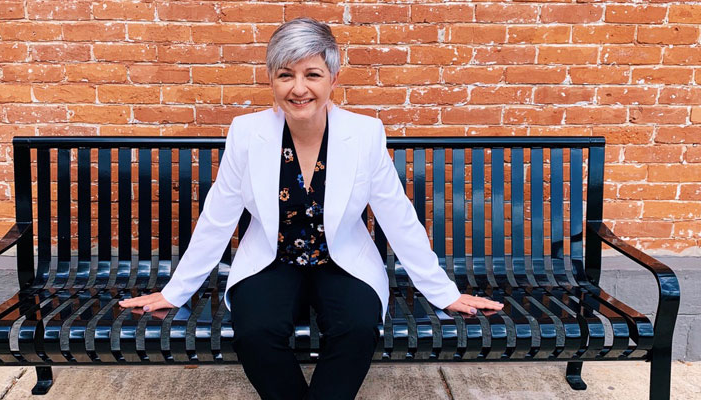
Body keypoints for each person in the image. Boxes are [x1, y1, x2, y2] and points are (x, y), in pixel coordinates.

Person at [120, 17, 503, 400]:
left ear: (333, 79)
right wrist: (176, 291)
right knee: (254, 332)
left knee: (356, 328)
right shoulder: (246, 132)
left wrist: (442, 292)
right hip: (271, 259)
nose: (299, 88)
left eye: (313, 74)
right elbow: (218, 217)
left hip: (342, 260)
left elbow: (396, 215)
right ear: (271, 79)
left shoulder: (364, 134)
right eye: (286, 75)